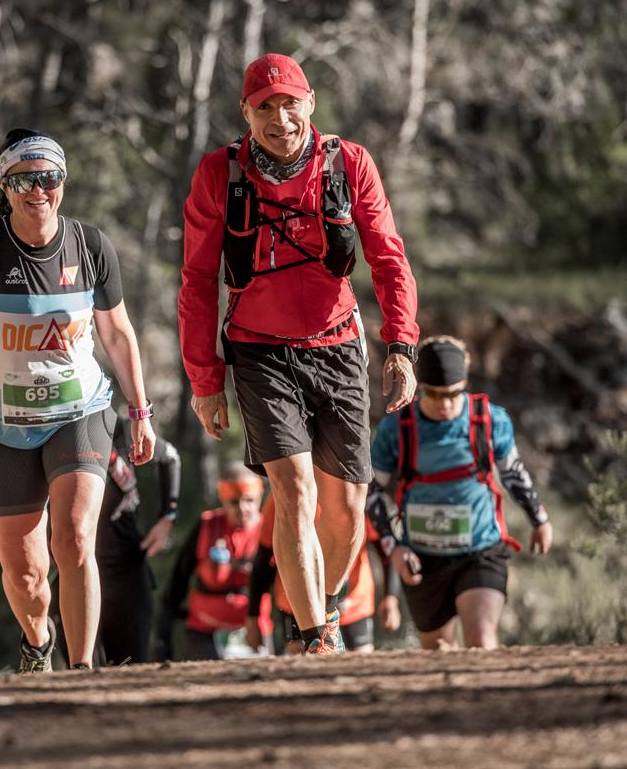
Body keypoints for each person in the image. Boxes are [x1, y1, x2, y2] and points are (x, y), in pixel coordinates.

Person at [179, 52, 420, 654]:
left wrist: (401, 345)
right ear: (246, 112)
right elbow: (197, 282)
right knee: (294, 491)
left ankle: (317, 609)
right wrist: (205, 379)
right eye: (265, 107)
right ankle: (316, 637)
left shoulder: (348, 163)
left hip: (338, 344)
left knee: (346, 510)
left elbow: (389, 259)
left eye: (290, 104)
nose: (279, 118)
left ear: (310, 104)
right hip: (259, 351)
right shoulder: (220, 174)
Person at [0, 128, 156, 673]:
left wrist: (140, 411)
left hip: (81, 413)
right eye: (24, 180)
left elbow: (118, 334)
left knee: (74, 539)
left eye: (48, 178)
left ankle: (81, 673)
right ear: (5, 186)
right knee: (26, 575)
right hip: (2, 425)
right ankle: (37, 640)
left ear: (63, 183)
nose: (38, 190)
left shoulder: (90, 245)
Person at [367, 336, 553, 650]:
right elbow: (370, 492)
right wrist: (394, 548)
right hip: (422, 559)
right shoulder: (398, 427)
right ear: (420, 387)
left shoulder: (490, 420)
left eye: (453, 394)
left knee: (481, 640)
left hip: (480, 551)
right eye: (434, 394)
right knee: (438, 650)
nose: (444, 404)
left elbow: (512, 473)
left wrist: (539, 519)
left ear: (465, 383)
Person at [52, 417, 181, 666]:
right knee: (78, 669)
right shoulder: (57, 431)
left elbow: (170, 457)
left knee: (131, 667)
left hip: (127, 569)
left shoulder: (119, 428)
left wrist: (168, 517)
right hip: (74, 571)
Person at [247, 493, 402, 654]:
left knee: (360, 663)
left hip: (353, 605)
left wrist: (390, 597)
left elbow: (386, 550)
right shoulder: (284, 489)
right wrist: (253, 616)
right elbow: (264, 558)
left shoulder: (357, 489)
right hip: (297, 606)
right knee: (302, 666)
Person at [156, 464, 269, 661]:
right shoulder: (207, 525)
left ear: (259, 498)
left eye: (249, 501)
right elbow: (180, 576)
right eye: (234, 502)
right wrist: (163, 634)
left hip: (255, 629)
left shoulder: (267, 531)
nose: (243, 509)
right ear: (223, 499)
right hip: (204, 629)